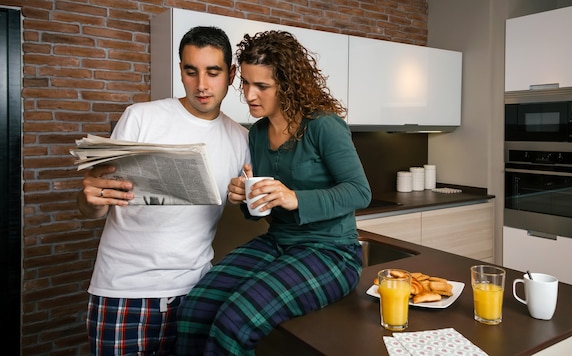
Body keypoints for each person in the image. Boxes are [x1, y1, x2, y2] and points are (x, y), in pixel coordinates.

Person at [176, 30, 372, 355]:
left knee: (234, 320)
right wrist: (246, 198)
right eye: (246, 84)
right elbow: (262, 211)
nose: (250, 95)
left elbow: (359, 192)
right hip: (278, 243)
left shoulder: (323, 125)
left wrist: (295, 198)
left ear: (287, 85)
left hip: (331, 252)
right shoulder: (257, 133)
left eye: (262, 86)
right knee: (195, 307)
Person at [76, 26, 250, 355]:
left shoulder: (241, 139)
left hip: (196, 293)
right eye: (190, 71)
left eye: (213, 72)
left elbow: (253, 210)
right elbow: (95, 205)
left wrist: (249, 198)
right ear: (181, 71)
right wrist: (92, 201)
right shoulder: (141, 117)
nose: (201, 85)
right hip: (123, 290)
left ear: (231, 74)